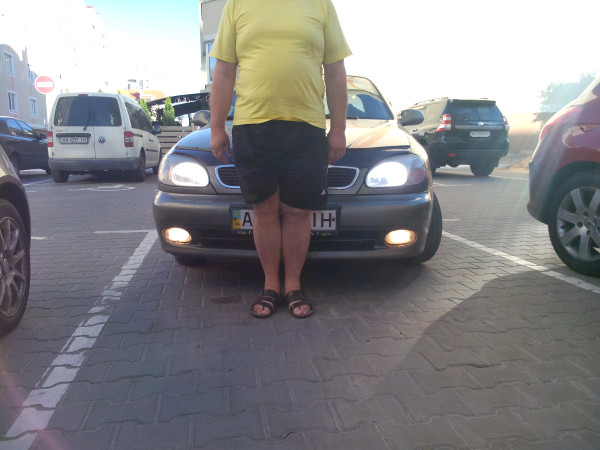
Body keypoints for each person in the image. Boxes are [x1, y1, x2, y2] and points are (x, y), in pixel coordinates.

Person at [209, 0, 351, 318]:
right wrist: (216, 127)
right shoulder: (237, 5)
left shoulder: (320, 4)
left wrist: (339, 129)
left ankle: (293, 286)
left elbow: (335, 71)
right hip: (252, 126)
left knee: (298, 212)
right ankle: (270, 285)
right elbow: (224, 69)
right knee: (264, 211)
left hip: (306, 126)